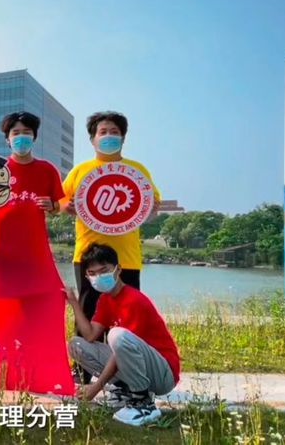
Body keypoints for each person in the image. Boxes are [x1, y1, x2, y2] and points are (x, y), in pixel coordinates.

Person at [59, 111, 160, 381]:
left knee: (128, 316)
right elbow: (60, 201)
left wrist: (151, 209)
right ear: (92, 139)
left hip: (126, 258)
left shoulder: (137, 170)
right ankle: (81, 371)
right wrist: (66, 206)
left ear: (123, 138)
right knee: (88, 312)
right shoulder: (80, 170)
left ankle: (126, 373)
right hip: (88, 255)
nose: (108, 136)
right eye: (102, 132)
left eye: (114, 132)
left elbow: (152, 206)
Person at [66, 243, 180, 426]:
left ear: (118, 270)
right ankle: (126, 390)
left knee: (117, 336)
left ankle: (143, 403)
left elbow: (121, 349)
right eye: (92, 273)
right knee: (77, 345)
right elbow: (90, 336)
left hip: (163, 375)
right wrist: (73, 302)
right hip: (139, 365)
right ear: (87, 276)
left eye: (104, 271)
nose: (98, 277)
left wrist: (96, 387)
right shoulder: (105, 300)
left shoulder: (134, 300)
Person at [0, 111, 63, 214]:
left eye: (27, 132)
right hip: (6, 225)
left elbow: (58, 207)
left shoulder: (47, 169)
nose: (21, 136)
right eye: (16, 133)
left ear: (34, 137)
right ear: (8, 139)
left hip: (34, 225)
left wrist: (52, 206)